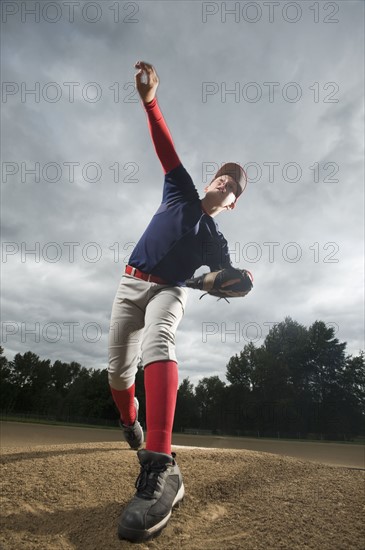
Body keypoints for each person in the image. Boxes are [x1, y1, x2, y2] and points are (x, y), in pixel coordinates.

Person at [108, 60, 247, 543]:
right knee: (117, 375)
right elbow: (166, 149)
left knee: (159, 339)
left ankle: (162, 464)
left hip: (171, 290)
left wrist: (229, 279)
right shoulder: (182, 191)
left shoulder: (215, 240)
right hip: (130, 284)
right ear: (211, 181)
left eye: (234, 187)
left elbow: (211, 277)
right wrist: (150, 101)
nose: (226, 183)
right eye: (223, 177)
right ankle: (132, 424)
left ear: (232, 205)